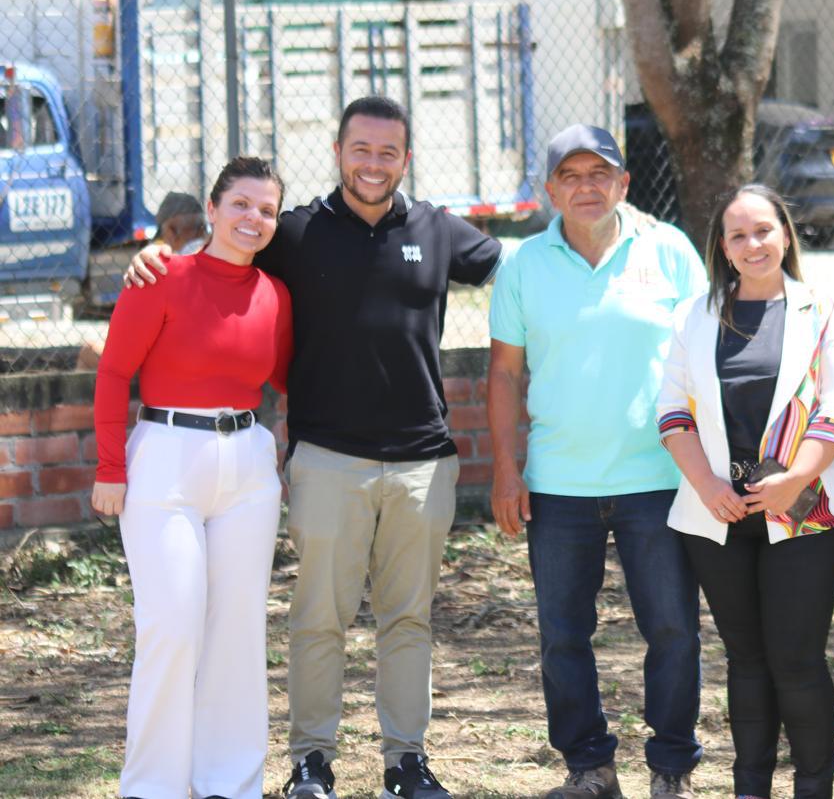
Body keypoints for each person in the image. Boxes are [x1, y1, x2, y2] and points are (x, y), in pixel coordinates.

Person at [124, 96, 503, 799]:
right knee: (318, 618)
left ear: (406, 159)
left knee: (408, 617)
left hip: (424, 458)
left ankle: (407, 761)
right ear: (338, 152)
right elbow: (225, 246)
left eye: (388, 152)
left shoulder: (439, 229)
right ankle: (311, 761)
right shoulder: (295, 233)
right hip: (328, 457)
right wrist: (159, 254)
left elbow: (521, 266)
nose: (373, 163)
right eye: (361, 149)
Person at [487, 124, 705, 799]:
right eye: (571, 176)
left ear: (624, 184)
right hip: (559, 484)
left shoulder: (668, 251)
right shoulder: (523, 264)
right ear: (549, 188)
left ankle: (671, 767)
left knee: (672, 629)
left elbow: (705, 358)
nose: (587, 187)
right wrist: (504, 467)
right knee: (562, 635)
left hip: (659, 480)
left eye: (600, 174)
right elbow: (502, 374)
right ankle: (589, 767)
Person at [93, 156, 293, 799]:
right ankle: (153, 787)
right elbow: (112, 374)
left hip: (247, 464)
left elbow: (291, 382)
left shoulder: (276, 295)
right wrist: (110, 467)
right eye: (239, 204)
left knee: (238, 631)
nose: (252, 218)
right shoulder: (160, 277)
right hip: (166, 459)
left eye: (266, 210)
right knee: (173, 627)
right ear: (210, 210)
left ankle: (229, 784)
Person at [656, 184, 834, 799]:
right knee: (745, 660)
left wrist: (795, 480)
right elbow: (672, 412)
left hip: (804, 511)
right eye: (738, 234)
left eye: (764, 230)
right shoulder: (695, 315)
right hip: (717, 512)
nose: (753, 244)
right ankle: (750, 789)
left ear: (785, 235)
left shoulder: (821, 311)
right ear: (722, 245)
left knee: (796, 661)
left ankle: (813, 788)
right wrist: (707, 484)